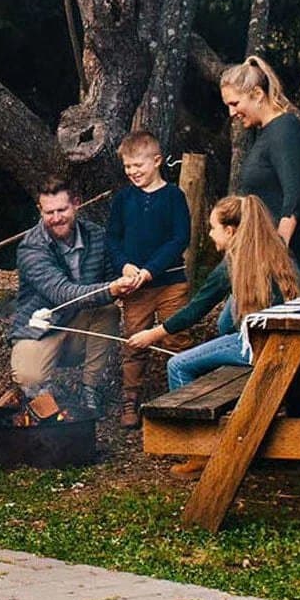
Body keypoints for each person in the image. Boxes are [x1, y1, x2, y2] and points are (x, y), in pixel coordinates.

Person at [126, 194, 300, 475]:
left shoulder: (233, 264)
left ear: (230, 230)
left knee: (178, 365)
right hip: (284, 341)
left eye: (213, 228)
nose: (210, 234)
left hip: (261, 347)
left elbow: (196, 309)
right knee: (226, 319)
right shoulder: (274, 250)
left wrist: (153, 334)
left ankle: (197, 452)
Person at [5, 179, 137, 424]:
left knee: (108, 311)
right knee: (29, 377)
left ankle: (90, 389)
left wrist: (125, 279)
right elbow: (63, 293)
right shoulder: (31, 248)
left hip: (79, 322)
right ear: (40, 210)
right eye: (49, 212)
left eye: (62, 210)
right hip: (39, 327)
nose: (56, 218)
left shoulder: (96, 235)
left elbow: (111, 275)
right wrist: (111, 288)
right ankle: (45, 399)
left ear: (76, 204)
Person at [105, 130, 191, 430]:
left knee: (177, 338)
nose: (132, 172)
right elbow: (112, 239)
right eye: (127, 167)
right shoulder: (123, 199)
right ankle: (131, 400)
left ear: (156, 161)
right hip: (135, 288)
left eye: (137, 165)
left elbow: (180, 238)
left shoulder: (174, 197)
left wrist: (151, 269)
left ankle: (183, 396)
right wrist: (125, 265)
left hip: (170, 284)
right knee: (134, 342)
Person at [221, 55, 300, 279]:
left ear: (257, 94)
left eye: (235, 104)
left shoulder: (284, 132)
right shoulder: (267, 132)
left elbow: (294, 198)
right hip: (262, 256)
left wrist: (277, 256)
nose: (231, 113)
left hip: (285, 260)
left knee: (240, 315)